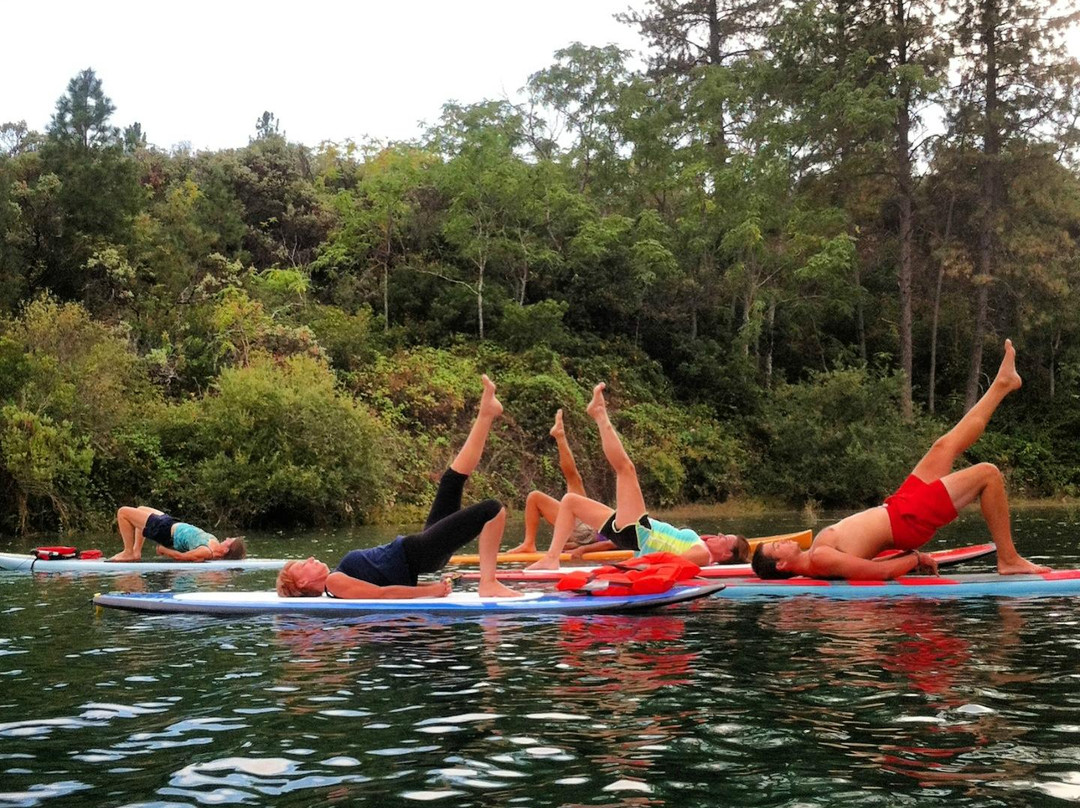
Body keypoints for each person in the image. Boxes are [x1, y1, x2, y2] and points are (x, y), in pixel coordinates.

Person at [751, 339, 1050, 581]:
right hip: (906, 519)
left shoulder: (817, 554)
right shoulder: (818, 558)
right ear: (780, 565)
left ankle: (1002, 383)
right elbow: (877, 573)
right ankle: (1008, 559)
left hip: (898, 507)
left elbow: (872, 559)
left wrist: (908, 558)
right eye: (778, 547)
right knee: (988, 474)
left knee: (943, 446)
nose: (785, 541)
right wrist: (916, 558)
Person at [276, 375, 521, 599]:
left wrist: (429, 589)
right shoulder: (334, 582)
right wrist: (432, 591)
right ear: (303, 581)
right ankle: (487, 582)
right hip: (418, 552)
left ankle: (486, 414)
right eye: (301, 565)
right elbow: (382, 594)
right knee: (492, 509)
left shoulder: (339, 577)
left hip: (419, 551)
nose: (309, 558)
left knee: (452, 480)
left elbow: (383, 582)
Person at [525, 382, 749, 570]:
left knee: (626, 469)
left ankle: (600, 414)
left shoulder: (702, 553)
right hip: (635, 533)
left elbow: (667, 563)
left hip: (640, 532)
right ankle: (552, 558)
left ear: (727, 555)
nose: (719, 535)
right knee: (570, 501)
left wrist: (629, 568)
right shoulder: (702, 545)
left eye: (725, 539)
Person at [506, 409, 600, 555]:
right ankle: (528, 543)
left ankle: (560, 437)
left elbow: (612, 541)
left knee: (571, 479)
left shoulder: (624, 525)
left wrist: (581, 548)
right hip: (584, 529)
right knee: (537, 496)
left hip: (588, 532)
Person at [110, 506, 246, 562]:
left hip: (165, 531)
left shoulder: (206, 551)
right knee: (140, 509)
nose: (227, 538)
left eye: (229, 540)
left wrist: (164, 551)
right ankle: (136, 552)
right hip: (169, 523)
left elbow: (182, 556)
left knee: (123, 512)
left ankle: (128, 552)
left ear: (227, 549)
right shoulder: (214, 542)